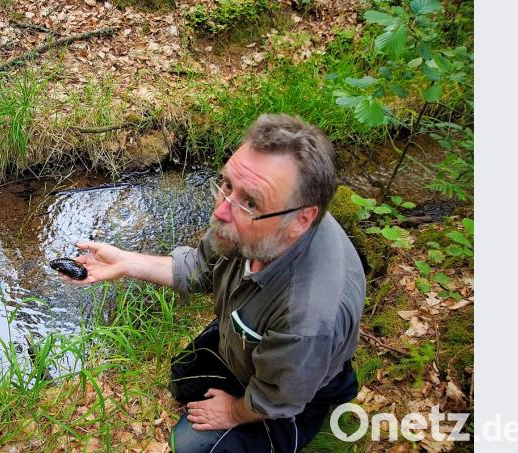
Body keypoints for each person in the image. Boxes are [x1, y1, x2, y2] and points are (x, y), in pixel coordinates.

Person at [59, 113, 366, 452]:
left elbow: (277, 399)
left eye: (250, 202)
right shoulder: (258, 220)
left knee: (188, 446)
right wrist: (125, 262)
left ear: (301, 220)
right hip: (246, 338)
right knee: (183, 380)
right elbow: (198, 269)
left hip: (292, 391)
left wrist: (233, 412)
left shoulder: (308, 320)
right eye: (226, 185)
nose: (220, 210)